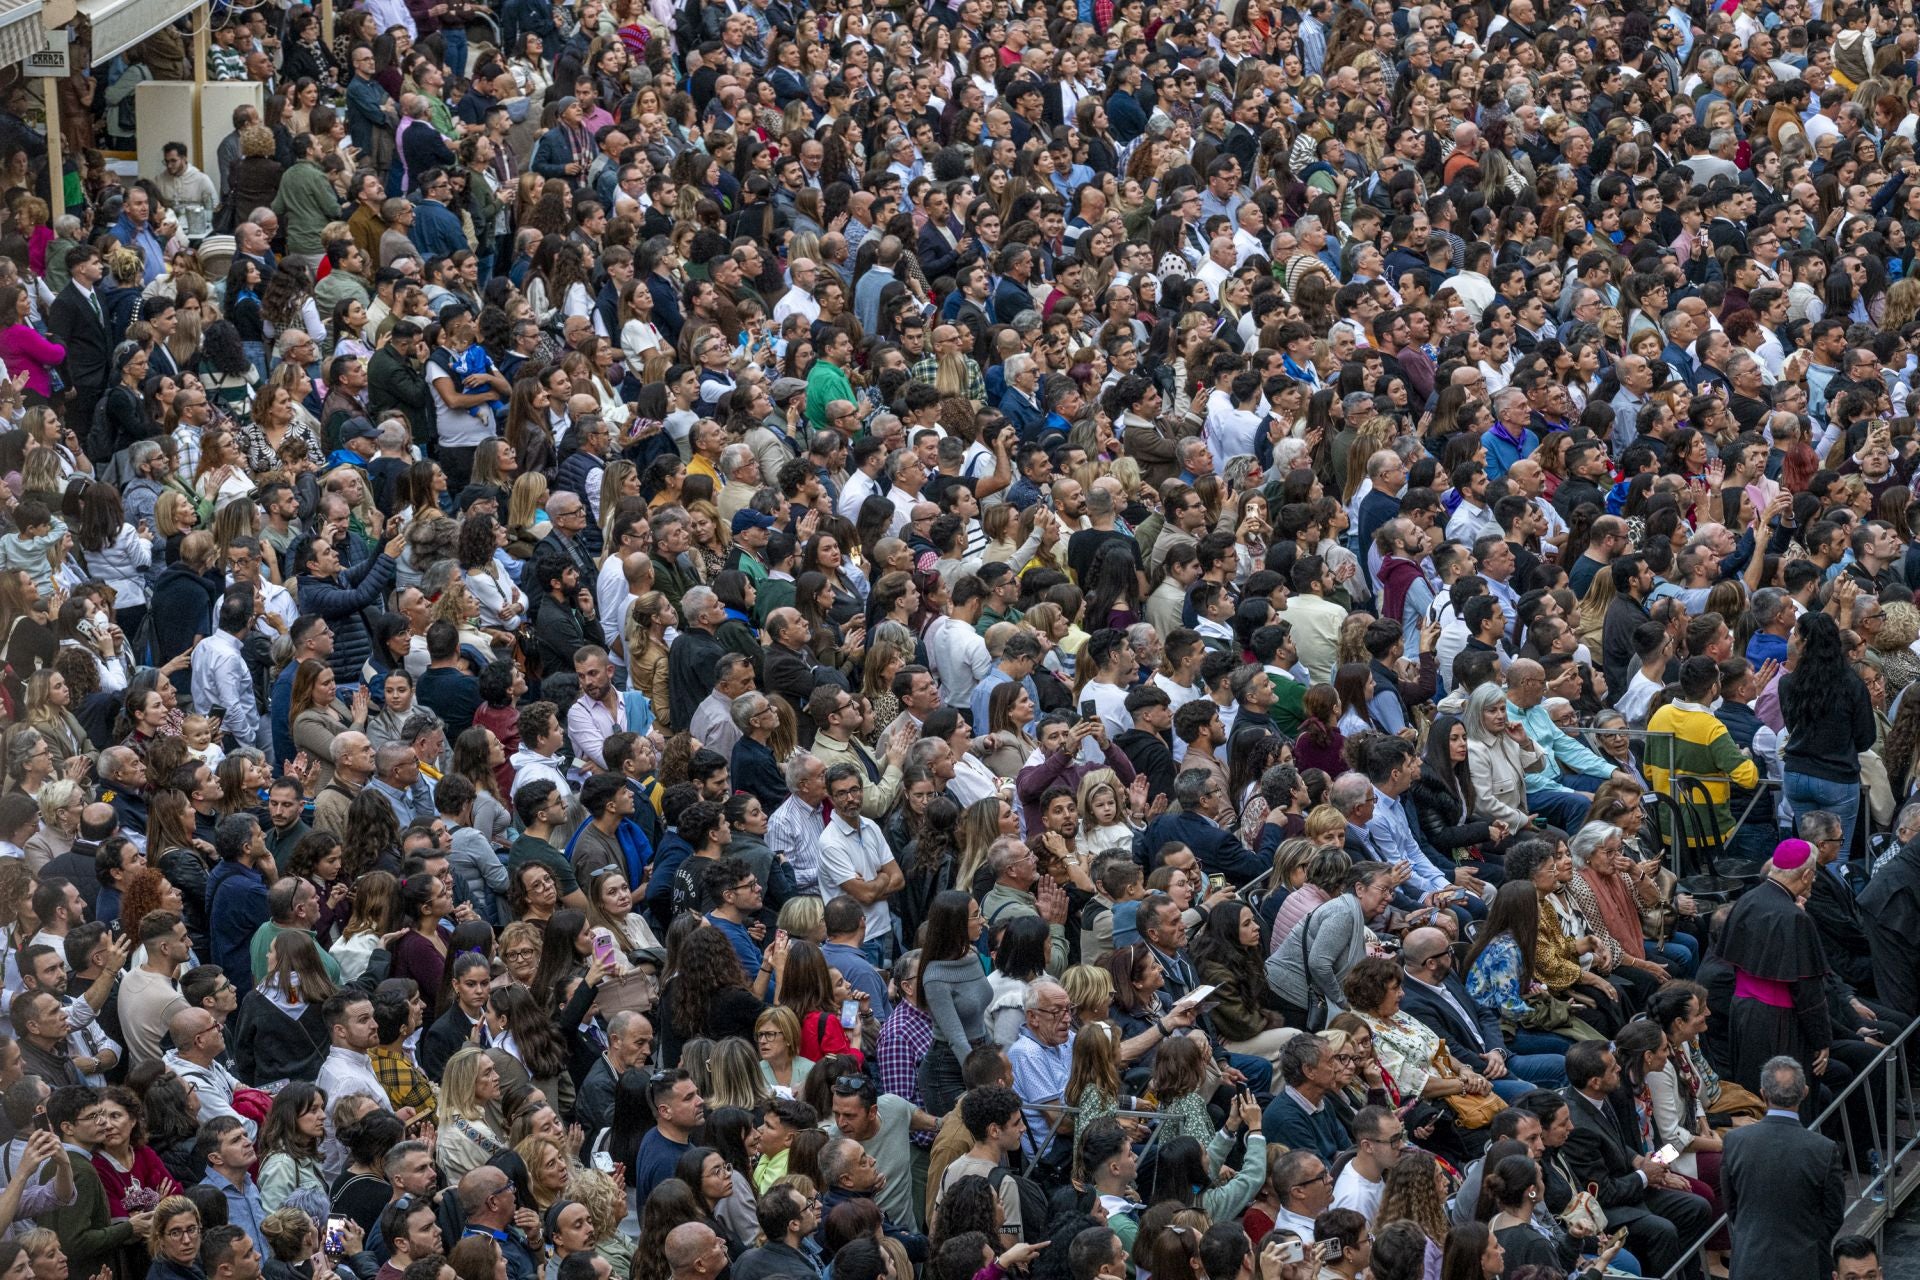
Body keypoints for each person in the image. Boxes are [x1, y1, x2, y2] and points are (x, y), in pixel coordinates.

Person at [1720, 1055, 1845, 1280]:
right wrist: (1808, 1242)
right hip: (1806, 1266)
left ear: (1762, 1094)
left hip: (1749, 1264)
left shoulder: (1734, 1142)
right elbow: (1834, 1215)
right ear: (1804, 1092)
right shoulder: (1824, 1149)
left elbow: (1732, 1206)